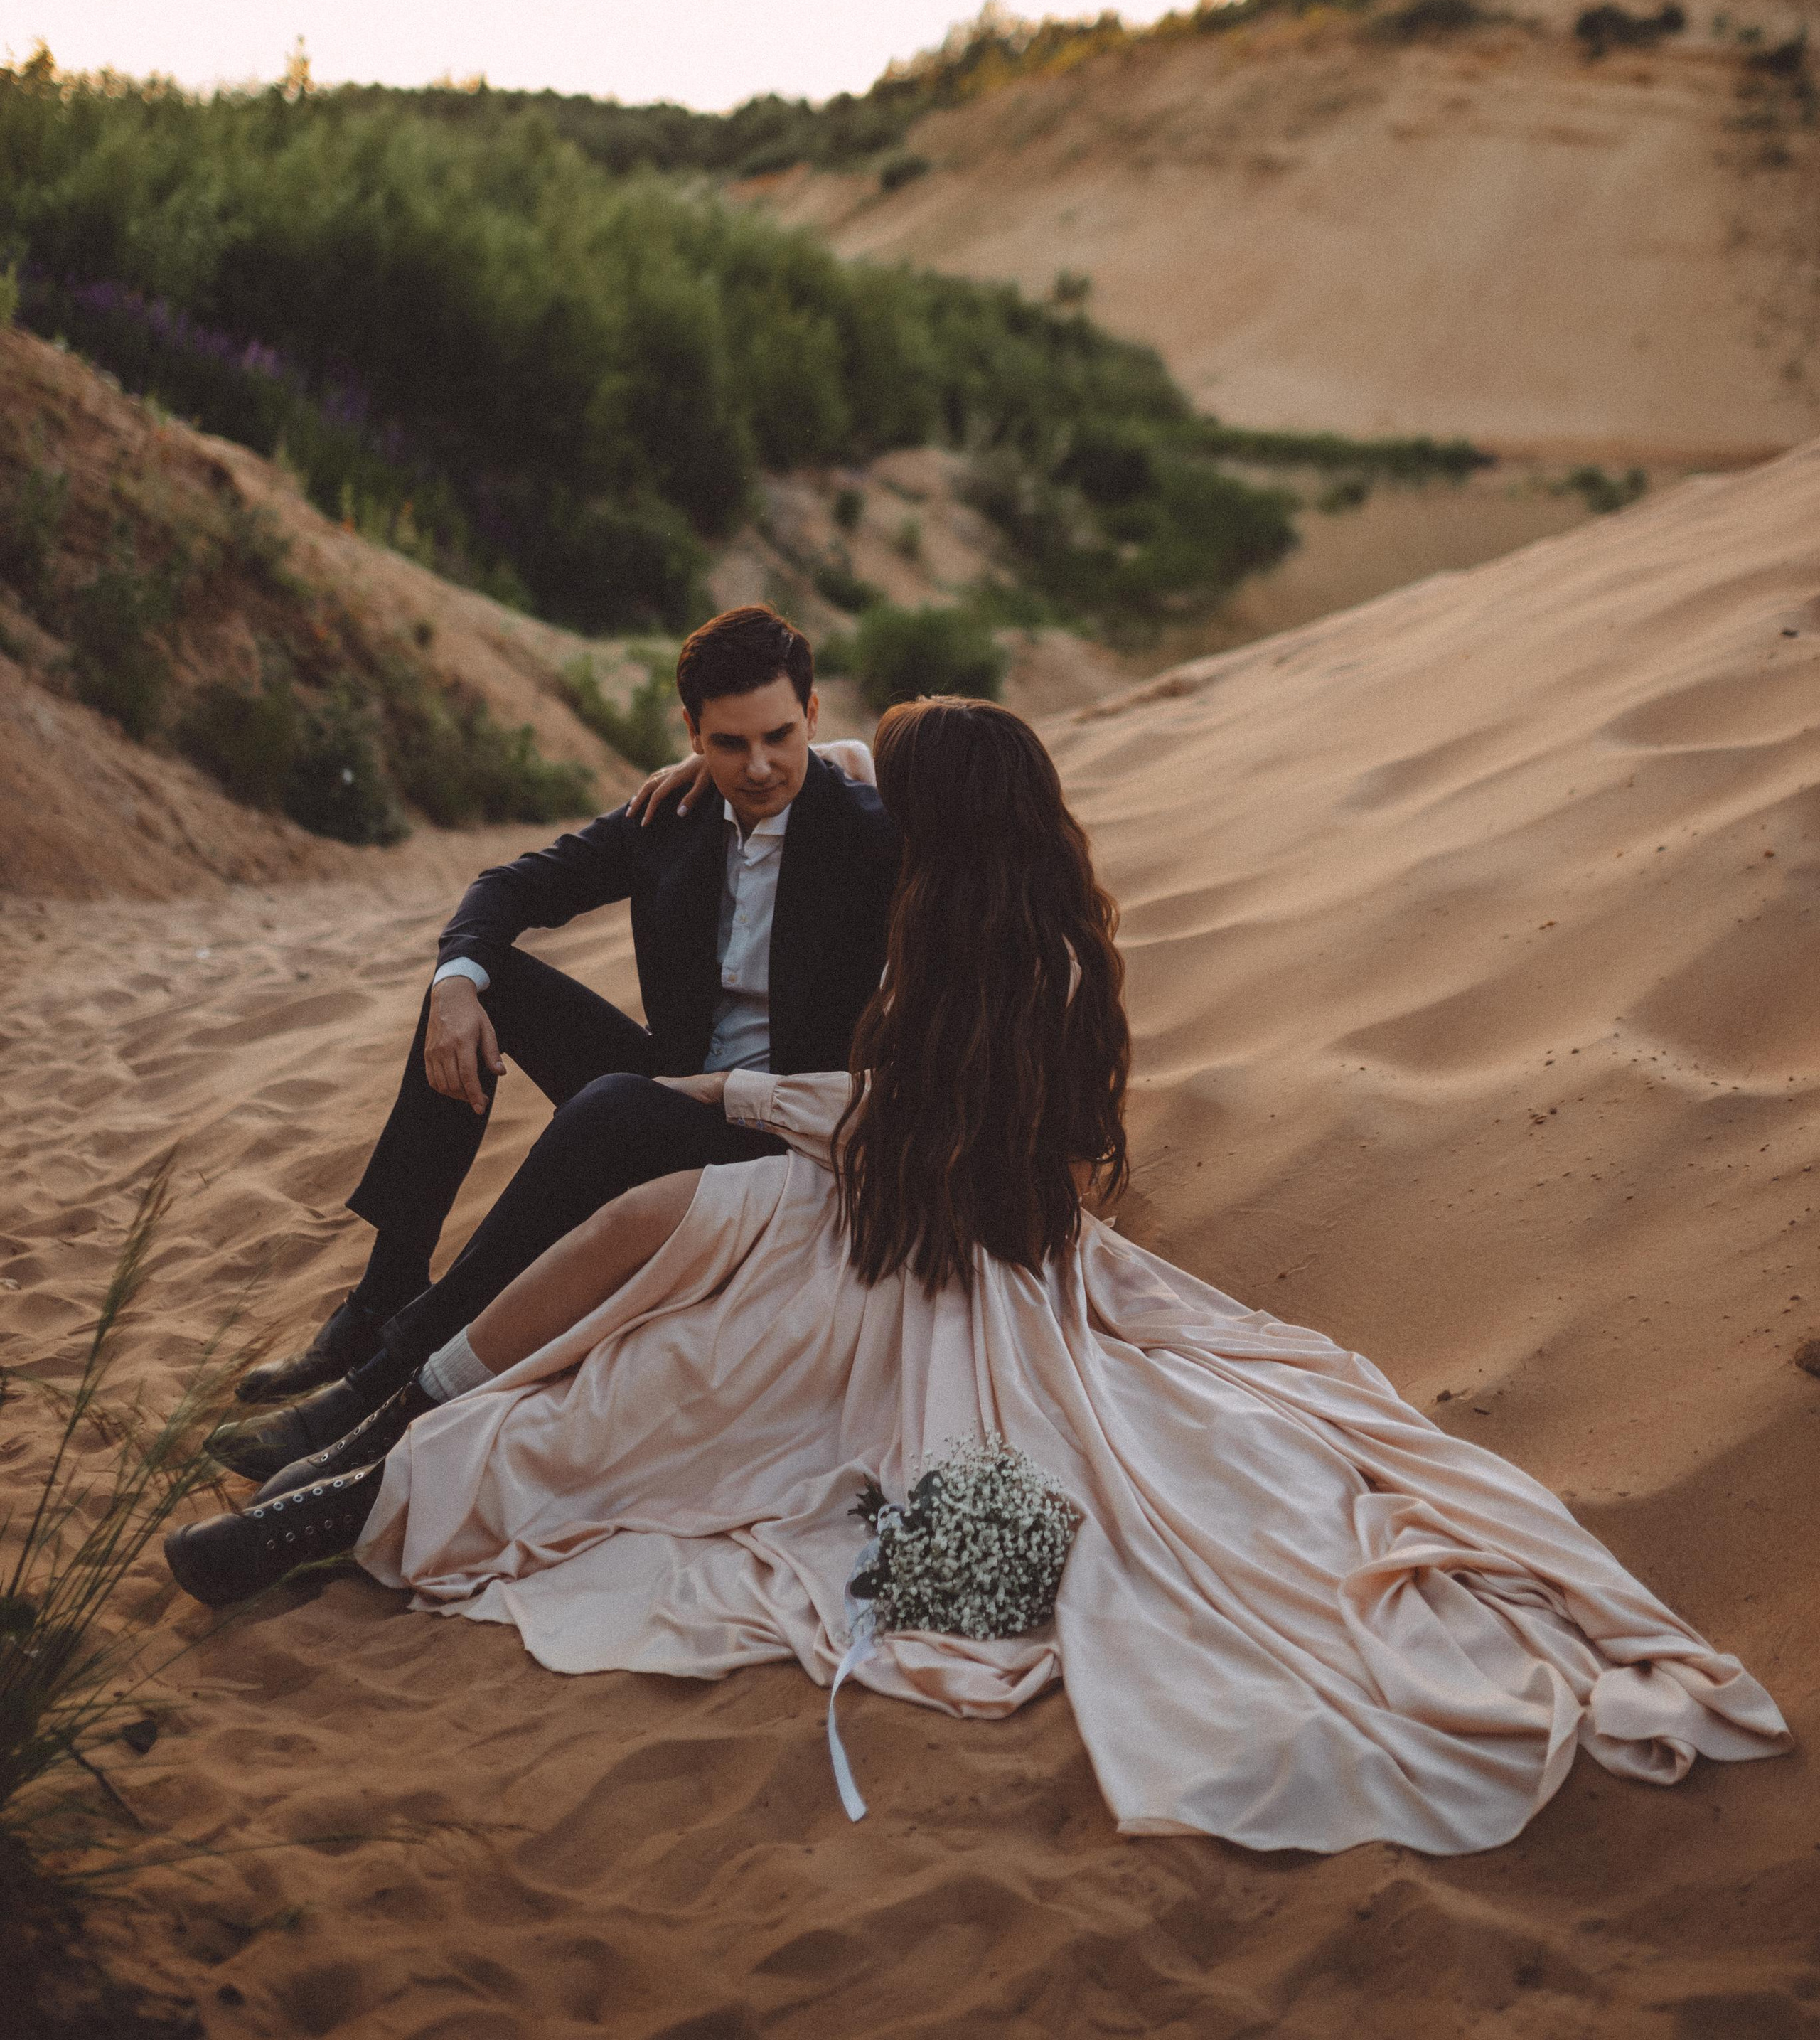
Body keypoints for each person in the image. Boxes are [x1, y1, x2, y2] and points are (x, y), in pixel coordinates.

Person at [166, 700, 1789, 1857]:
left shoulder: (1018, 959)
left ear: (942, 817)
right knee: (624, 1235)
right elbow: (891, 783)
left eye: (882, 777)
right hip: (853, 1186)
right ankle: (377, 1412)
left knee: (662, 1386)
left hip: (934, 1245)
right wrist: (754, 761)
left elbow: (929, 1127)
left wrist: (742, 1095)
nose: (858, 788)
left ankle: (359, 1493)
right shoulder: (976, 887)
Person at [208, 604, 898, 1487]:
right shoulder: (674, 815)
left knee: (611, 1102)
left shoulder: (873, 833)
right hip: (668, 1090)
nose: (758, 767)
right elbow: (508, 887)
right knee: (485, 985)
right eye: (729, 744)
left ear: (811, 715)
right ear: (691, 732)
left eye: (779, 737)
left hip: (778, 1129)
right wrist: (455, 986)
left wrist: (835, 757)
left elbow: (971, 785)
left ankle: (388, 1373)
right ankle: (382, 1295)